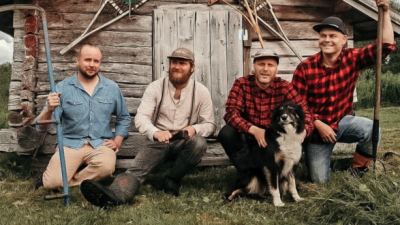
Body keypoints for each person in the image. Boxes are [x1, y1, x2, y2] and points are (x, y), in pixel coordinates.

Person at [80, 47, 216, 207]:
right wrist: (155, 132)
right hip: (158, 142)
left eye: (182, 63)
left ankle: (172, 179)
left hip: (184, 143)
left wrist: (194, 129)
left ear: (192, 68)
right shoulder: (156, 87)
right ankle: (115, 195)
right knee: (137, 169)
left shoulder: (201, 91)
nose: (177, 67)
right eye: (173, 62)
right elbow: (141, 117)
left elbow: (210, 124)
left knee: (199, 143)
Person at [291, 0, 396, 183]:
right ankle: (316, 163)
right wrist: (317, 123)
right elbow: (297, 105)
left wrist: (385, 11)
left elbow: (385, 46)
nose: (327, 40)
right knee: (319, 181)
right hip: (316, 133)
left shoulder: (352, 59)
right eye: (323, 36)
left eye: (332, 35)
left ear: (344, 40)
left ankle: (359, 170)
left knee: (372, 129)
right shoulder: (305, 68)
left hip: (342, 122)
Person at [35, 44, 131, 190]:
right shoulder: (62, 88)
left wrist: (117, 141)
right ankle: (78, 182)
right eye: (87, 60)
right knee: (52, 183)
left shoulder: (111, 88)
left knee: (105, 169)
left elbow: (123, 117)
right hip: (70, 144)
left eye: (96, 61)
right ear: (77, 61)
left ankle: (71, 183)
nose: (92, 65)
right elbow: (42, 126)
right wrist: (49, 109)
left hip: (100, 144)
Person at [218, 49, 314, 181]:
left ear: (276, 70)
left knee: (302, 129)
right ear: (253, 67)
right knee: (226, 133)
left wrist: (304, 130)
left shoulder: (285, 87)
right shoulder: (241, 84)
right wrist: (253, 129)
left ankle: (284, 173)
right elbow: (231, 113)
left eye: (270, 65)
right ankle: (248, 174)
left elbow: (305, 112)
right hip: (250, 141)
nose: (265, 69)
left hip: (275, 143)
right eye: (261, 64)